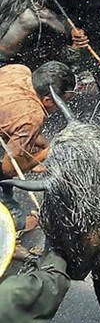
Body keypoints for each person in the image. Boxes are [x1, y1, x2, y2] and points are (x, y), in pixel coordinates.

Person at [0, 62, 76, 231]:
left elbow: (13, 119)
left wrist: (39, 146)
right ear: (48, 100)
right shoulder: (33, 116)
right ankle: (15, 229)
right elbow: (8, 169)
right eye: (63, 102)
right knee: (14, 216)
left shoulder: (19, 70)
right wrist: (47, 152)